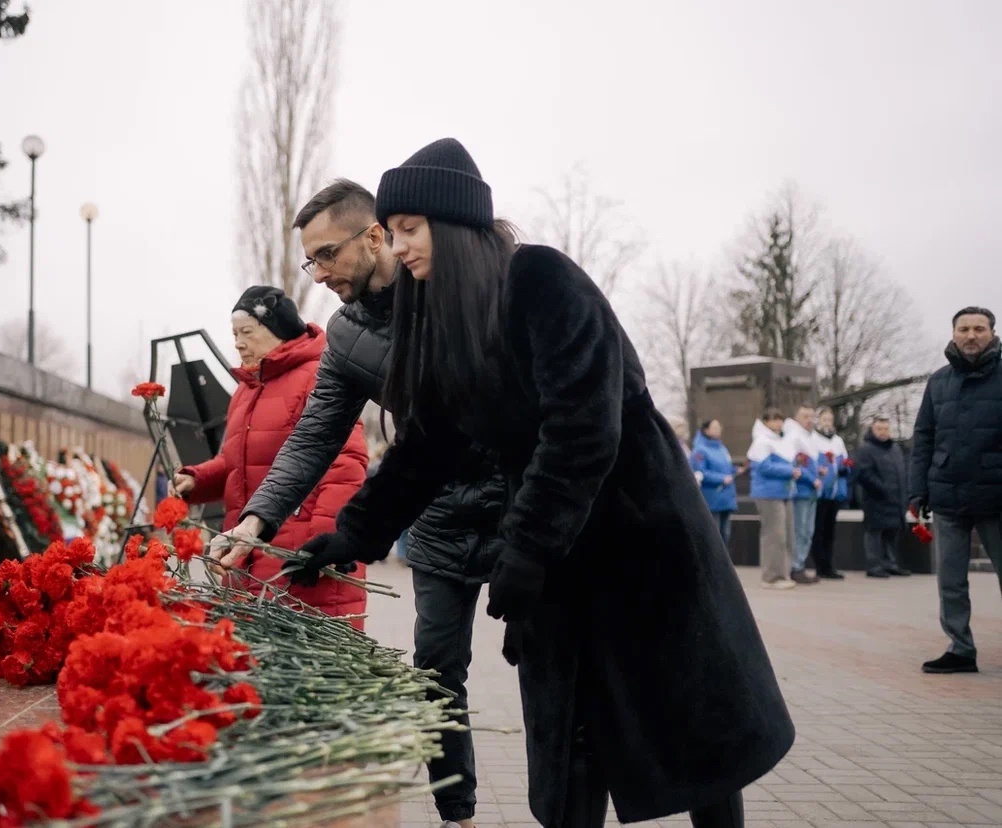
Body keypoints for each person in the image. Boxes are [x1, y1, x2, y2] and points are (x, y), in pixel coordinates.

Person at [286, 138, 793, 828]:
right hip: (556, 550)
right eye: (395, 232)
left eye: (409, 229)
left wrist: (525, 550)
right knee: (566, 736)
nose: (399, 247)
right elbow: (426, 446)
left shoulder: (541, 281)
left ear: (457, 225)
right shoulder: (442, 320)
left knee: (690, 729)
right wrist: (353, 532)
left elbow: (584, 430)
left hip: (639, 536)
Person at [211, 179, 506, 828]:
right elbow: (313, 437)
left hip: (517, 511)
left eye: (327, 255)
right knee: (436, 669)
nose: (318, 275)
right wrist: (256, 521)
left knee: (547, 667)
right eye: (309, 260)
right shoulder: (345, 337)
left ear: (375, 237)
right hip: (433, 513)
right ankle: (457, 812)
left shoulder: (447, 292)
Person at [173, 287, 369, 628]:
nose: (237, 342)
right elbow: (237, 463)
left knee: (312, 670)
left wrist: (325, 546)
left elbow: (344, 465)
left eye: (247, 332)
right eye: (234, 334)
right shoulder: (245, 391)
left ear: (277, 329)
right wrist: (198, 479)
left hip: (299, 560)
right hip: (245, 557)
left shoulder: (318, 376)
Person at [909, 306, 1002, 674]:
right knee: (950, 580)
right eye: (963, 329)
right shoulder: (939, 382)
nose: (971, 335)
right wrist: (917, 493)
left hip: (997, 497)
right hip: (947, 497)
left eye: (979, 328)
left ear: (993, 333)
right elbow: (924, 439)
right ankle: (961, 648)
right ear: (953, 334)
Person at [853, 416, 911, 580]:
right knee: (875, 534)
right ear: (872, 430)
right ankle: (874, 565)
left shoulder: (895, 449)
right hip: (876, 500)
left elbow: (902, 471)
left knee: (892, 533)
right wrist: (882, 489)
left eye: (886, 429)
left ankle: (890, 564)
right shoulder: (866, 449)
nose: (883, 432)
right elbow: (864, 474)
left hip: (896, 500)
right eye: (879, 429)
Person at [747, 409, 800, 590]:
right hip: (768, 494)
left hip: (785, 493)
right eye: (774, 420)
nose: (779, 423)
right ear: (765, 422)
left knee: (787, 535)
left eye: (780, 419)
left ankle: (784, 572)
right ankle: (771, 576)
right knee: (774, 536)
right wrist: (789, 471)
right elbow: (764, 467)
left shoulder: (783, 440)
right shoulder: (761, 441)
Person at [808, 407, 849, 580]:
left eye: (829, 419)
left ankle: (829, 565)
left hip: (835, 492)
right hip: (820, 492)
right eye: (824, 419)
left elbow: (845, 461)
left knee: (830, 530)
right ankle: (819, 565)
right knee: (819, 529)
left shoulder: (838, 441)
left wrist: (844, 468)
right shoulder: (813, 439)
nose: (827, 423)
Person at [784, 405, 823, 584]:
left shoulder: (809, 437)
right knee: (800, 530)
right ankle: (796, 566)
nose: (809, 420)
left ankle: (800, 564)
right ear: (797, 418)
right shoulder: (793, 437)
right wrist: (810, 478)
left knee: (808, 531)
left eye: (811, 416)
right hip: (801, 491)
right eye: (805, 416)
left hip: (812, 491)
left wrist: (819, 472)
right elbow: (795, 464)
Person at [690, 419, 737, 546]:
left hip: (726, 497)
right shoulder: (700, 451)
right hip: (712, 496)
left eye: (719, 426)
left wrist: (737, 470)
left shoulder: (722, 448)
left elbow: (727, 468)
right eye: (714, 427)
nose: (718, 429)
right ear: (706, 430)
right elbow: (699, 472)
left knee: (725, 533)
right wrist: (721, 479)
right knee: (713, 533)